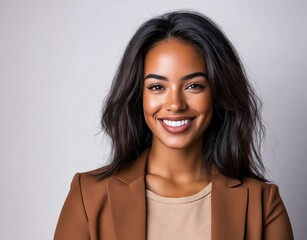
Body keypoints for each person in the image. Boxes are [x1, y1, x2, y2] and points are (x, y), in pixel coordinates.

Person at [54, 11, 293, 240]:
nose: (175, 104)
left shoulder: (261, 203)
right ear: (138, 96)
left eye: (193, 86)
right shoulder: (89, 196)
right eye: (157, 87)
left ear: (218, 92)